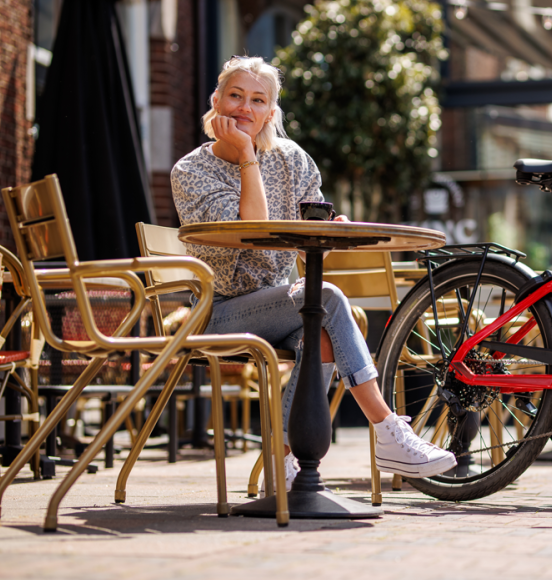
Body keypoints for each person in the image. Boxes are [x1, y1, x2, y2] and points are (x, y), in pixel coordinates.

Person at [171, 56, 456, 488]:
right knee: (322, 298)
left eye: (258, 100)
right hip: (218, 312)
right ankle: (388, 432)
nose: (245, 107)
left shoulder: (291, 159)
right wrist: (248, 157)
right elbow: (249, 233)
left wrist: (332, 229)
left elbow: (313, 224)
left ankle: (283, 466)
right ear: (216, 100)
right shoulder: (190, 171)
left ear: (271, 112)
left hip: (280, 305)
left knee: (318, 330)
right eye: (235, 96)